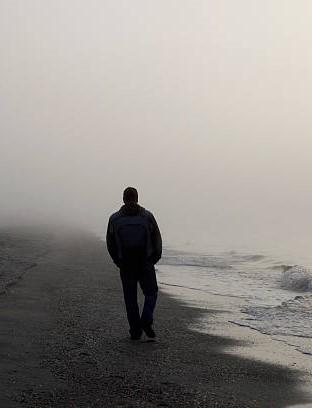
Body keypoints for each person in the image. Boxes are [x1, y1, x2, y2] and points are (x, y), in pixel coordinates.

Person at [106, 187, 162, 340]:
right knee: (151, 293)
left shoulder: (115, 219)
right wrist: (154, 259)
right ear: (137, 198)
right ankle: (146, 319)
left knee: (130, 298)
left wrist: (117, 260)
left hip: (126, 264)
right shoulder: (147, 216)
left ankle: (135, 331)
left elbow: (110, 242)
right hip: (145, 262)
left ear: (123, 199)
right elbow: (157, 238)